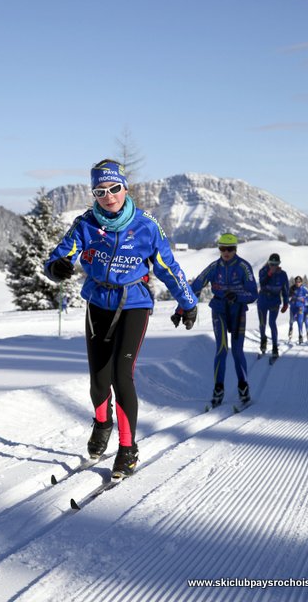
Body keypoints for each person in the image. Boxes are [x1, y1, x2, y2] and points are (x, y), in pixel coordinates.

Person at [44, 159, 197, 479]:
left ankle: (128, 449)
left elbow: (169, 269)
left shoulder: (146, 226)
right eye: (100, 191)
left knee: (120, 374)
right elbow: (60, 256)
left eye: (114, 188)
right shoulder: (85, 224)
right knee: (98, 379)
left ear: (125, 188)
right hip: (98, 302)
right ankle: (102, 424)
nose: (108, 195)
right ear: (94, 194)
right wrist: (57, 268)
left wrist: (188, 303)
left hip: (134, 304)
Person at [189, 233, 258, 408]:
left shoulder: (243, 267)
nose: (226, 252)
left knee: (236, 351)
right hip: (219, 310)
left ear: (235, 249)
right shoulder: (214, 267)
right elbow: (197, 283)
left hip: (237, 312)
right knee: (221, 350)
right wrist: (187, 304)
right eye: (222, 249)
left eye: (230, 249)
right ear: (219, 249)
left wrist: (237, 295)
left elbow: (253, 293)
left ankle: (243, 386)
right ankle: (218, 388)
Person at [257, 253, 289, 358]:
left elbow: (285, 290)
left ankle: (275, 346)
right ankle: (263, 340)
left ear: (279, 264)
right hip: (263, 300)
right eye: (271, 264)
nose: (273, 266)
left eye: (275, 264)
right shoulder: (263, 271)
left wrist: (286, 303)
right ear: (268, 263)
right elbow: (262, 283)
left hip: (274, 301)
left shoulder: (283, 274)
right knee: (262, 323)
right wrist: (269, 274)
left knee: (272, 323)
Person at [288, 276, 308, 344]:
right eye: (296, 282)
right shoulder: (292, 288)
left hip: (300, 307)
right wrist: (290, 300)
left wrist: (305, 300)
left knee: (300, 321)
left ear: (301, 282)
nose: (297, 283)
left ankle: (300, 335)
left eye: (299, 282)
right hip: (293, 308)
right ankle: (290, 329)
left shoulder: (304, 289)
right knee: (291, 321)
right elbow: (287, 297)